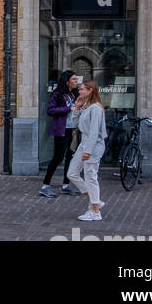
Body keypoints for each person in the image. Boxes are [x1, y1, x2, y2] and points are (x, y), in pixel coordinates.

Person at [67, 79, 108, 221]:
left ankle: (95, 211)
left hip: (93, 146)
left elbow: (94, 132)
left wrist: (88, 151)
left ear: (90, 91)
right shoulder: (85, 106)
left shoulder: (96, 108)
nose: (80, 91)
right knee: (72, 173)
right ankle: (94, 201)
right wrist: (77, 109)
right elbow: (75, 124)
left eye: (82, 89)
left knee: (91, 177)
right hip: (84, 144)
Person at [38, 70, 77, 197]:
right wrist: (67, 109)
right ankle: (45, 185)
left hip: (73, 129)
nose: (76, 82)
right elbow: (50, 110)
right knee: (58, 157)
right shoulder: (58, 94)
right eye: (74, 80)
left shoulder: (75, 94)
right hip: (61, 130)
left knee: (70, 157)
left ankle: (66, 184)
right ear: (67, 82)